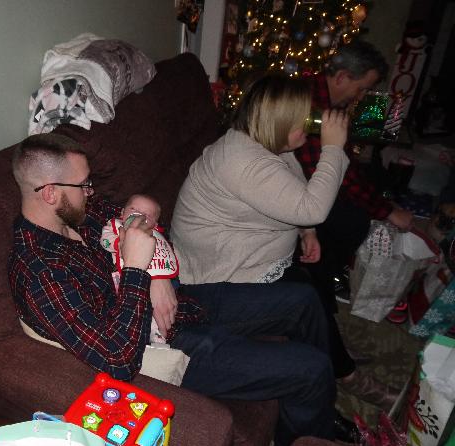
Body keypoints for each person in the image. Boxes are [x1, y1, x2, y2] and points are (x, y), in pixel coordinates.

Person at [8, 133, 342, 446]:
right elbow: (118, 361)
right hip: (163, 346)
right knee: (311, 370)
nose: (91, 192)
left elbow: (142, 219)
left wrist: (157, 275)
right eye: (83, 185)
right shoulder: (40, 273)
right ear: (50, 193)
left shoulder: (79, 213)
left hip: (180, 302)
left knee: (303, 300)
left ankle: (317, 409)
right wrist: (138, 270)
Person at [170, 74, 398, 411]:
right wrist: (333, 149)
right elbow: (312, 207)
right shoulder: (242, 161)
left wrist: (307, 232)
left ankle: (330, 345)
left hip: (251, 254)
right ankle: (346, 374)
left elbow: (294, 190)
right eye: (300, 120)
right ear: (277, 123)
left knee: (322, 260)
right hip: (218, 278)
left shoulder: (266, 145)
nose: (309, 125)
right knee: (306, 290)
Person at [294, 40, 414, 306]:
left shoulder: (329, 101)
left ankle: (334, 264)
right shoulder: (312, 107)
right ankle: (326, 273)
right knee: (354, 219)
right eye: (362, 88)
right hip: (297, 185)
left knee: (375, 178)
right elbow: (333, 175)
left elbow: (345, 162)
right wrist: (386, 211)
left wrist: (381, 204)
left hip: (318, 177)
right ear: (341, 77)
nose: (361, 97)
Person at [100, 194, 178, 343]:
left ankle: (158, 334)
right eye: (133, 209)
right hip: (128, 277)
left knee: (159, 304)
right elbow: (105, 240)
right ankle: (147, 333)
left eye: (147, 215)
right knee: (135, 303)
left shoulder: (156, 236)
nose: (139, 216)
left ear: (155, 224)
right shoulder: (115, 227)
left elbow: (166, 253)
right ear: (122, 213)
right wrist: (119, 244)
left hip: (158, 280)